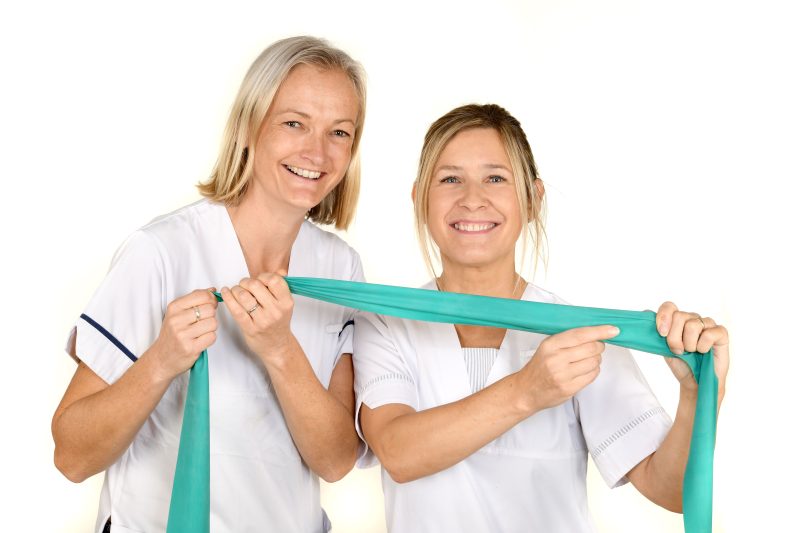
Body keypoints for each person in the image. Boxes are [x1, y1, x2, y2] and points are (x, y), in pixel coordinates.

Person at [353, 104, 730, 532]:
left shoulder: (579, 334)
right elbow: (399, 453)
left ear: (533, 199)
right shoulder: (384, 324)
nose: (472, 198)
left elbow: (672, 491)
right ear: (419, 198)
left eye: (495, 178)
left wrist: (698, 398)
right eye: (450, 179)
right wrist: (528, 391)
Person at [52, 36, 367, 533]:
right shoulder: (160, 253)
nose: (317, 151)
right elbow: (72, 455)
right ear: (247, 127)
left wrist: (281, 350)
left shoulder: (341, 269)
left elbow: (335, 462)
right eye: (293, 123)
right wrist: (162, 361)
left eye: (340, 133)